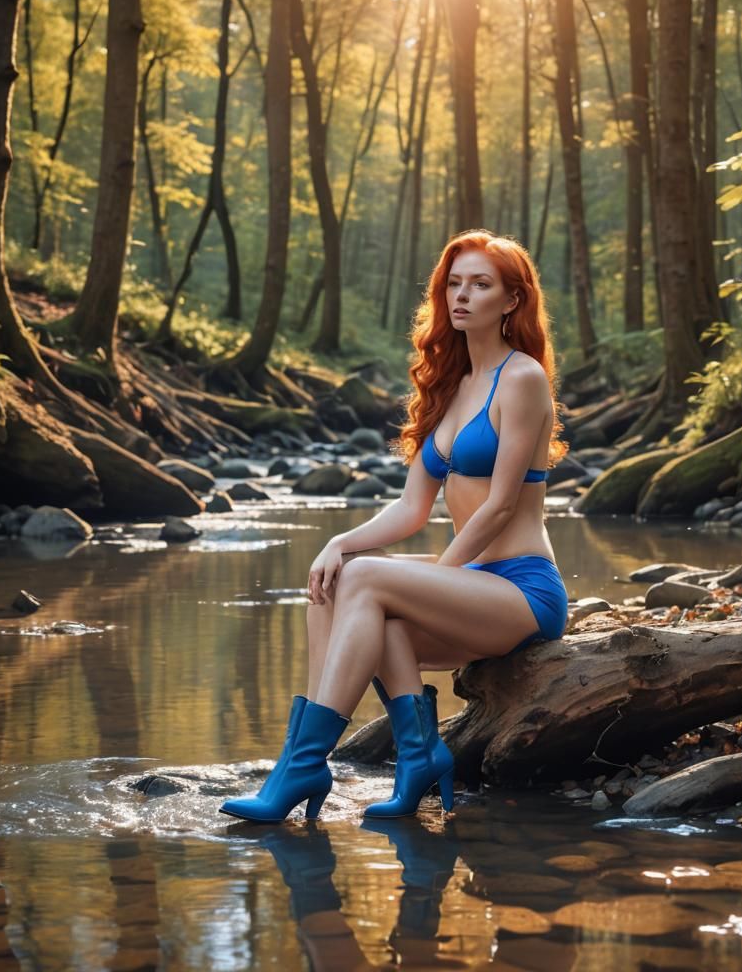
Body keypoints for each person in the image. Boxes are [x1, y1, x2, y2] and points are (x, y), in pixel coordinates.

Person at [220, 229, 570, 824]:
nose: (462, 295)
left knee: (369, 582)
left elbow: (500, 506)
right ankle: (417, 755)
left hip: (523, 590)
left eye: (480, 284)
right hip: (473, 585)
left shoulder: (522, 378)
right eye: (453, 283)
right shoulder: (451, 385)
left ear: (512, 300)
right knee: (338, 579)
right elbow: (411, 509)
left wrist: (440, 578)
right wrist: (339, 541)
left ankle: (303, 766)